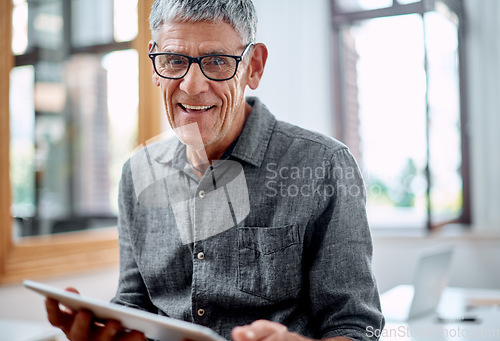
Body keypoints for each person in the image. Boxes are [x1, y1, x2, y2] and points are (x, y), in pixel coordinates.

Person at [45, 0, 385, 340]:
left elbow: (358, 326)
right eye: (175, 60)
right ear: (154, 63)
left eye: (218, 61)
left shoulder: (323, 165)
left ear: (254, 66)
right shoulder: (138, 173)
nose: (192, 86)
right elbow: (134, 305)